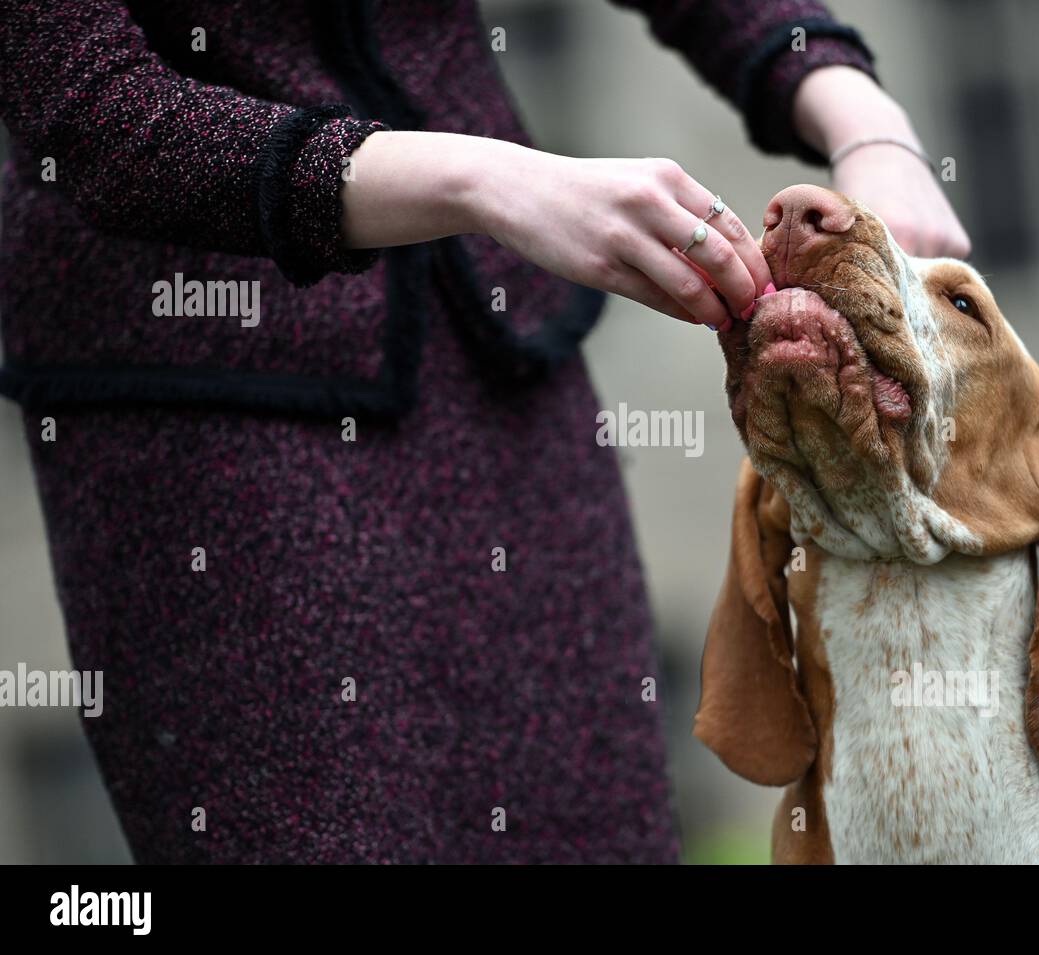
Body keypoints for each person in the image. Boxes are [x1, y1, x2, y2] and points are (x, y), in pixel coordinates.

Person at [0, 0, 967, 863]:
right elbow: (95, 115)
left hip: (507, 369)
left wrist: (867, 122)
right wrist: (490, 182)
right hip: (207, 406)